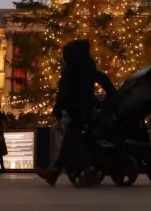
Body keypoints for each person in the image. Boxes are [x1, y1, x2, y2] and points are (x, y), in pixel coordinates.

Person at [37, 38, 115, 188]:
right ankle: (54, 172)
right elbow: (103, 79)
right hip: (88, 108)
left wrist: (58, 109)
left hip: (74, 109)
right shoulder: (88, 67)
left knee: (74, 138)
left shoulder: (70, 69)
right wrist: (111, 93)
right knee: (69, 139)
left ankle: (89, 167)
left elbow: (64, 93)